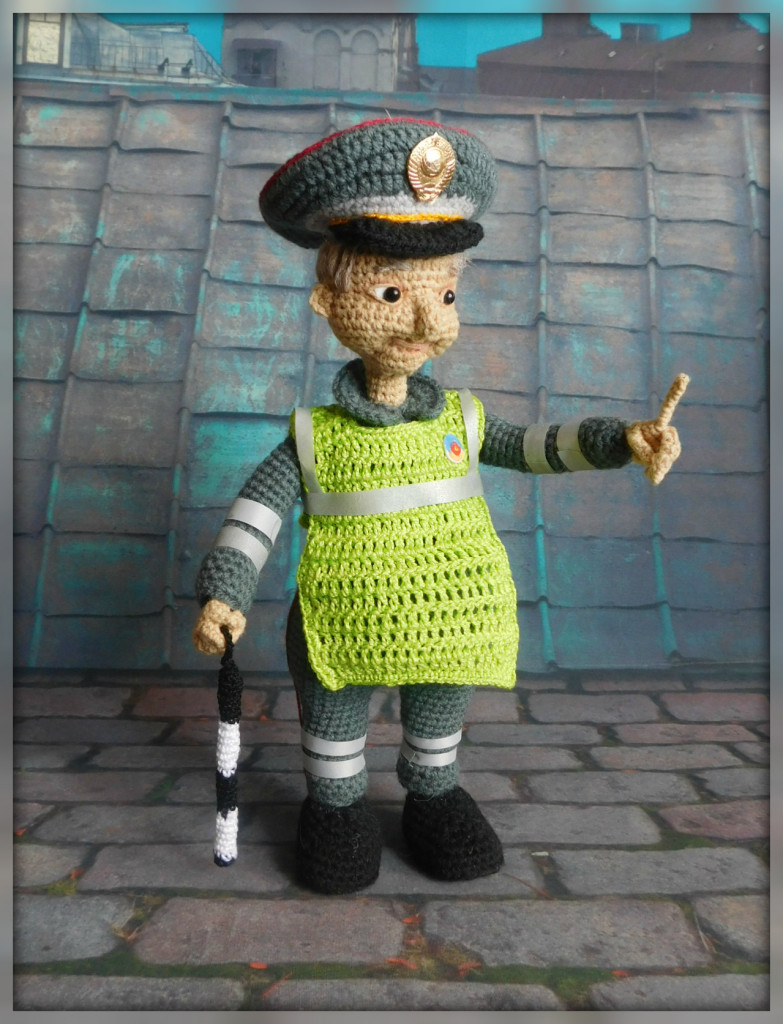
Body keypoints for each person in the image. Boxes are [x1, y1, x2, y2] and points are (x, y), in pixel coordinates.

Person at [193, 117, 687, 894]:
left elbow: (534, 446)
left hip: (451, 618)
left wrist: (618, 439)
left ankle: (433, 795)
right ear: (328, 300)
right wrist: (225, 590)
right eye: (391, 293)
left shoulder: (462, 420)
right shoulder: (313, 435)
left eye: (445, 293)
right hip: (339, 623)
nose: (427, 321)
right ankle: (336, 810)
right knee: (334, 731)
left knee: (437, 725)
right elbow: (255, 513)